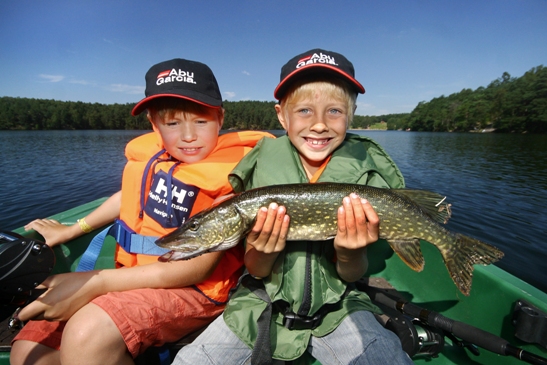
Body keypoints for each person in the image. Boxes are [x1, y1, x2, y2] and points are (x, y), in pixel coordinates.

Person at [10, 58, 273, 365]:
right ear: (154, 124)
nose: (188, 136)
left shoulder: (232, 177)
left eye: (200, 122)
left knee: (87, 333)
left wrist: (97, 282)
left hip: (192, 289)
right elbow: (129, 196)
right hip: (132, 275)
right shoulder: (159, 160)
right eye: (172, 124)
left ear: (220, 118)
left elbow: (196, 268)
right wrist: (74, 228)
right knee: (28, 349)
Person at [172, 48, 413, 365]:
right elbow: (256, 269)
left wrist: (350, 252)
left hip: (340, 308)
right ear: (281, 115)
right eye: (304, 111)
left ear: (351, 113)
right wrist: (264, 251)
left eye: (334, 112)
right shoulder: (259, 170)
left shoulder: (368, 176)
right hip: (260, 306)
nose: (319, 125)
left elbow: (353, 272)